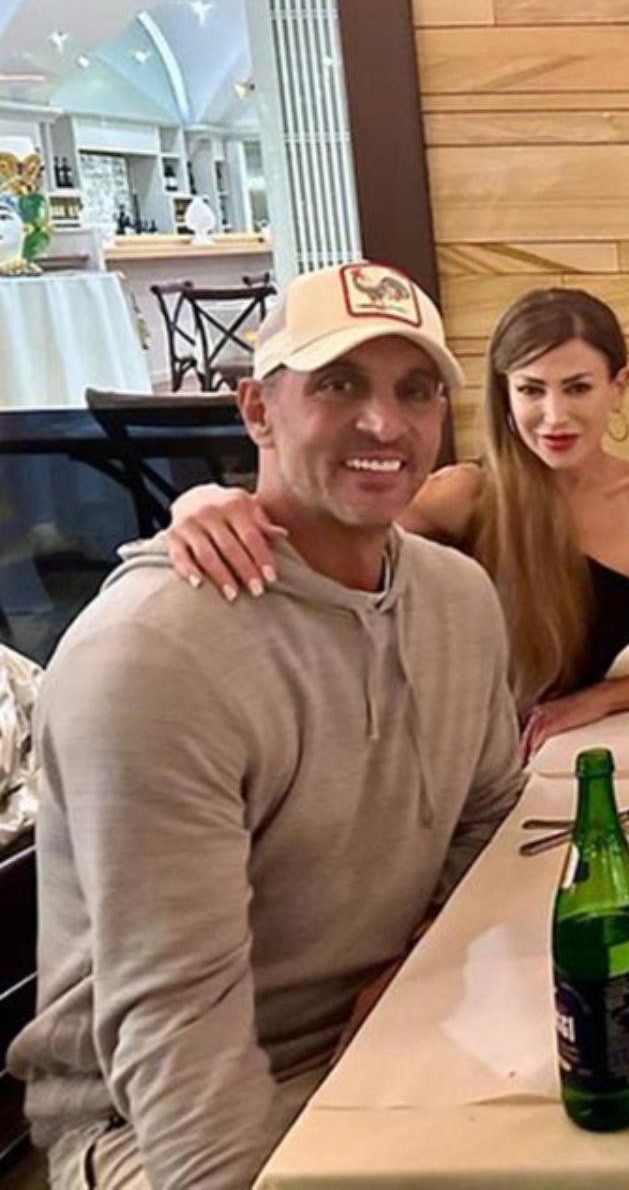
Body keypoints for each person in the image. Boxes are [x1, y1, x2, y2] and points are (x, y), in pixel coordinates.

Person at [6, 262, 527, 1189]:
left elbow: (487, 826)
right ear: (257, 410)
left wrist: (414, 968)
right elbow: (176, 1033)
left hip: (391, 1040)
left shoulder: (458, 597)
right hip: (156, 1127)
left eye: (415, 390)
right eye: (339, 385)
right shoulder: (152, 656)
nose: (384, 424)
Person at [164, 285, 629, 755]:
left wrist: (604, 697)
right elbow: (321, 544)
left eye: (578, 388)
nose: (554, 415)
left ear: (619, 388)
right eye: (531, 390)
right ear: (504, 394)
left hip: (554, 749)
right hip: (437, 749)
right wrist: (204, 502)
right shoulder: (466, 494)